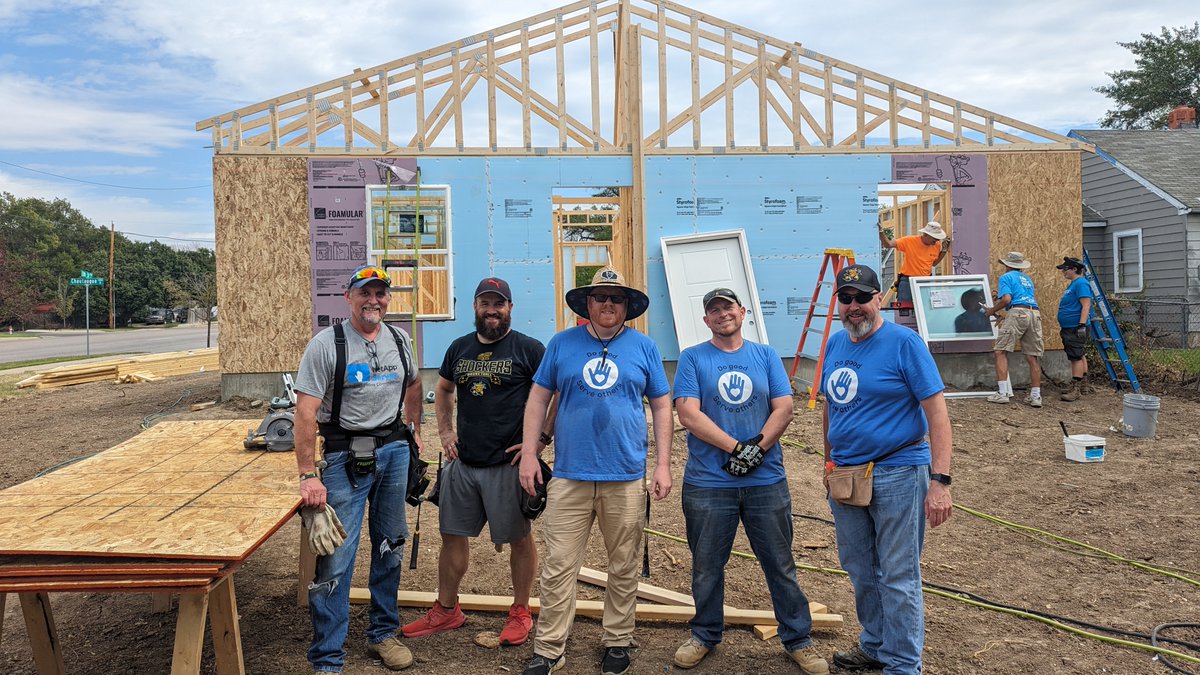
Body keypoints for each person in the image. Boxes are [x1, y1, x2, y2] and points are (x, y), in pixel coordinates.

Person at [517, 266, 673, 675]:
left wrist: (662, 464)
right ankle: (550, 648)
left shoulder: (644, 348)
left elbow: (661, 405)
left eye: (616, 298)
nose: (608, 304)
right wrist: (531, 453)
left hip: (624, 474)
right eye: (601, 297)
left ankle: (617, 640)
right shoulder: (562, 344)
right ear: (587, 303)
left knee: (622, 564)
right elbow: (538, 399)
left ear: (628, 307)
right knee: (558, 566)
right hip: (570, 474)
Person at [670, 288, 829, 674]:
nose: (723, 314)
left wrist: (756, 449)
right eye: (714, 311)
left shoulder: (766, 355)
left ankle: (798, 638)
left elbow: (784, 406)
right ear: (706, 321)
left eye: (728, 307)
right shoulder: (693, 358)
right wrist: (736, 448)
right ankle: (705, 634)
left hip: (765, 481)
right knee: (707, 565)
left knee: (779, 561)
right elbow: (688, 413)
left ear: (742, 312)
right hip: (709, 483)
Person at [400, 277, 556, 647]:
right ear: (474, 307)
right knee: (452, 536)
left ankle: (520, 610)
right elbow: (443, 388)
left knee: (519, 538)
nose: (491, 310)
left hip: (508, 465)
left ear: (510, 308)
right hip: (464, 463)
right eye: (485, 303)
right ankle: (446, 609)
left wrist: (539, 442)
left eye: (498, 303)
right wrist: (445, 432)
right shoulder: (459, 348)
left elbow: (556, 393)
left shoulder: (530, 349)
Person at [819, 264, 953, 674]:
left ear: (880, 299)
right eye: (846, 299)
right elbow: (830, 407)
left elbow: (938, 414)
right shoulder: (837, 344)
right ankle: (876, 645)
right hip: (846, 474)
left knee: (897, 574)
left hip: (898, 471)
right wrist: (828, 461)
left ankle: (903, 664)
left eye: (862, 297)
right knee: (860, 568)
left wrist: (940, 481)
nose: (854, 306)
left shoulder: (904, 343)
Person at [293, 264, 424, 673]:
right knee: (336, 554)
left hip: (394, 453)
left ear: (388, 299)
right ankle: (328, 657)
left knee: (390, 545)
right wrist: (307, 474)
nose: (374, 300)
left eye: (380, 293)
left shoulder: (401, 340)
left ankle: (382, 634)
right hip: (343, 458)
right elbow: (305, 412)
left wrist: (414, 429)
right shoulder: (327, 344)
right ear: (349, 297)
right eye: (365, 292)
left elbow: (415, 385)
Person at [984, 252, 1043, 407]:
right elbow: (1018, 299)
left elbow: (1007, 299)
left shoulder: (1006, 277)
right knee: (1032, 356)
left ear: (1007, 265)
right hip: (1034, 314)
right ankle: (1036, 396)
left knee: (1000, 351)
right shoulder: (1027, 280)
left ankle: (1003, 393)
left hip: (1018, 312)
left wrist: (991, 310)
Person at [878, 220, 950, 304]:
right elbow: (888, 244)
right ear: (925, 234)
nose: (937, 240)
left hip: (925, 282)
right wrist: (881, 232)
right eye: (935, 238)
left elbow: (933, 263)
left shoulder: (936, 245)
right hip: (908, 281)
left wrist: (944, 250)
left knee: (925, 307)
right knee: (904, 309)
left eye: (938, 238)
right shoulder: (909, 241)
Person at [1056, 257, 1093, 402]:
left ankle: (1076, 389)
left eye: (1065, 269)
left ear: (1074, 269)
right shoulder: (1074, 284)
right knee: (1080, 354)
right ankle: (1084, 386)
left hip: (1075, 327)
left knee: (1075, 357)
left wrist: (1081, 325)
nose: (1063, 272)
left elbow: (1086, 305)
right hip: (1070, 326)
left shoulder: (1081, 284)